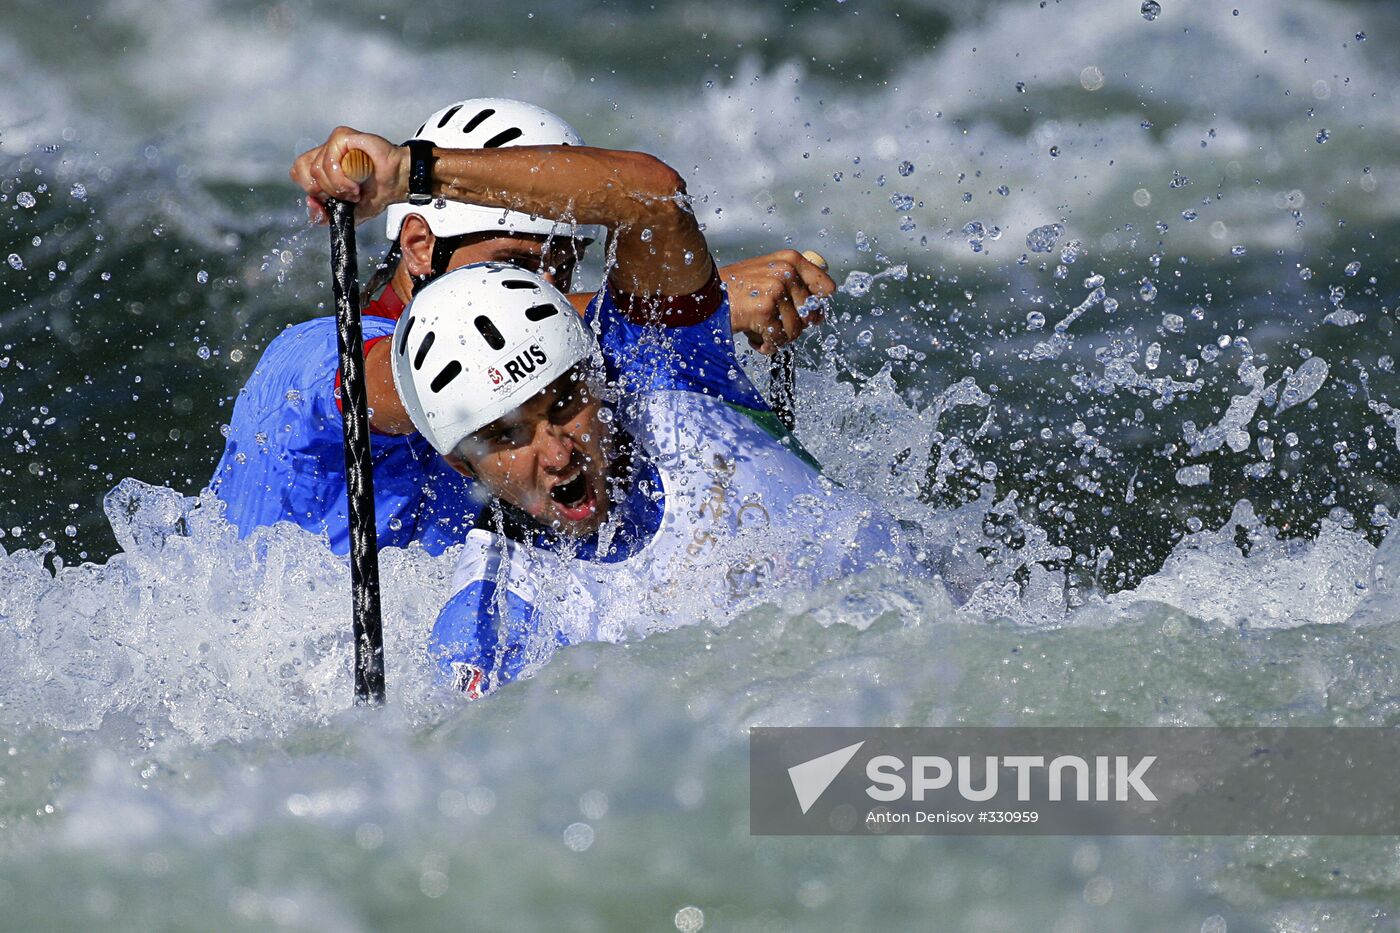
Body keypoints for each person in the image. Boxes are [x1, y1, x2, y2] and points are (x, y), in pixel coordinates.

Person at [209, 98, 835, 555]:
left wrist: (681, 302)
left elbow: (651, 199)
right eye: (516, 263)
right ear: (421, 245)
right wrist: (407, 173)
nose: (546, 291)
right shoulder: (315, 358)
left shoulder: (567, 363)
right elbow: (451, 370)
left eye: (563, 266)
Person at [391, 263, 922, 699]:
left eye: (567, 403)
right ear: (462, 466)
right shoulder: (490, 629)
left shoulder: (676, 379)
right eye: (509, 436)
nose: (557, 453)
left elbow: (655, 204)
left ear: (597, 378)